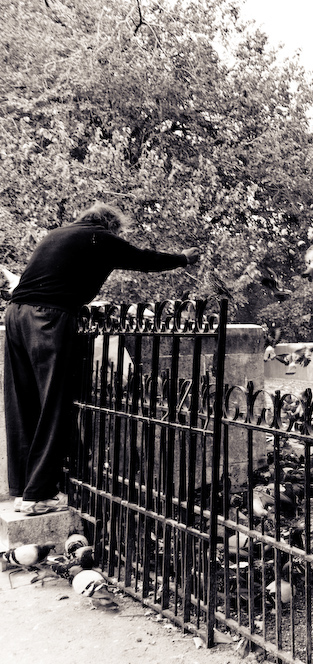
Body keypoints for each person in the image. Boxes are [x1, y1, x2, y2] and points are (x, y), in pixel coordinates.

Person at [4, 202, 200, 515]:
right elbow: (142, 259)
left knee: (23, 403)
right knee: (54, 404)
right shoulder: (99, 238)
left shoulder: (57, 234)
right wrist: (182, 259)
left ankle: (23, 490)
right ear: (110, 226)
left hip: (15, 317)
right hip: (47, 319)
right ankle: (38, 495)